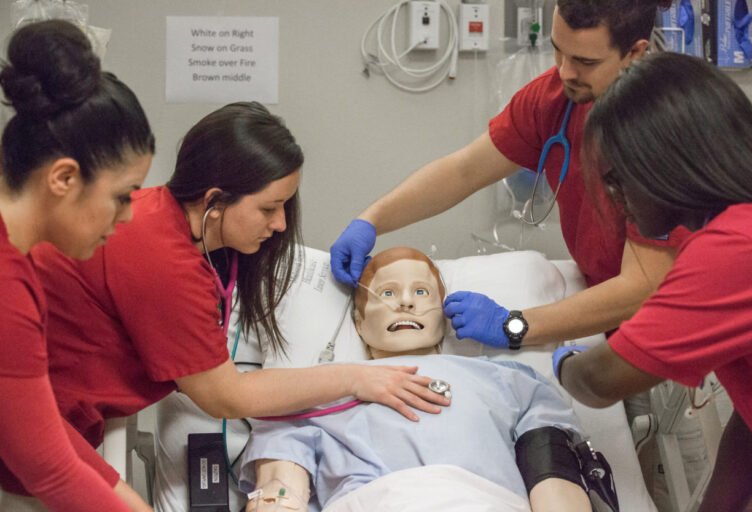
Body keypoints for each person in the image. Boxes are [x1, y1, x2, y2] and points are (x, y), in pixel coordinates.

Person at [28, 102, 451, 490]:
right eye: (269, 208)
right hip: (34, 414)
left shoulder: (184, 233)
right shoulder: (162, 259)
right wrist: (356, 377)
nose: (282, 224)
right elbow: (227, 397)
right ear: (215, 200)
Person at [330, 0, 687, 351]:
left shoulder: (667, 129)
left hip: (679, 319)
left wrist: (514, 324)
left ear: (635, 53)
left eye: (584, 61)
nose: (564, 72)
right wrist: (371, 220)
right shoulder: (554, 99)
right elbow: (464, 171)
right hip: (606, 313)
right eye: (558, 51)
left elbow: (643, 285)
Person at [553, 52, 752, 512]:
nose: (615, 199)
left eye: (617, 179)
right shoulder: (743, 229)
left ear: (661, 162)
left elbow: (600, 381)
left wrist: (562, 362)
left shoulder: (738, 248)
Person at [240, 247, 603, 512]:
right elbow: (278, 491)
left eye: (421, 292)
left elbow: (554, 473)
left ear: (443, 316)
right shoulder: (313, 392)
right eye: (387, 293)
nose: (406, 304)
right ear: (359, 322)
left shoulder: (508, 380)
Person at [0, 20, 155, 512]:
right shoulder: (5, 288)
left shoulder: (19, 263)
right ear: (64, 177)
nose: (128, 216)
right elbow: (50, 470)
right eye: (121, 196)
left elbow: (38, 428)